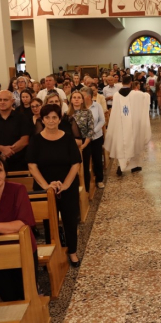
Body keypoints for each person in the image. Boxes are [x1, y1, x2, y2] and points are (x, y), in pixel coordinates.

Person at [26, 104, 82, 267]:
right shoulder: (36, 140)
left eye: (54, 117)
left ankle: (72, 252)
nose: (51, 121)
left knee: (70, 219)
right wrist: (46, 186)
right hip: (44, 186)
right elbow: (32, 165)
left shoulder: (67, 137)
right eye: (47, 118)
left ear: (59, 119)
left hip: (67, 185)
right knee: (49, 221)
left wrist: (64, 185)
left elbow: (75, 164)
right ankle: (55, 251)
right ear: (42, 120)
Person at [0, 158, 38, 301]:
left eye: (0, 171)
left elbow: (23, 223)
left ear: (5, 172)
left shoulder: (17, 189)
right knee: (8, 298)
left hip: (22, 248)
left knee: (23, 295)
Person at [104, 75, 151, 175]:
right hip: (132, 124)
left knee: (121, 145)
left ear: (121, 82)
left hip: (120, 124)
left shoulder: (116, 95)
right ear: (131, 82)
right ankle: (134, 166)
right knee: (135, 143)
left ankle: (120, 166)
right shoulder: (135, 94)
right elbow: (146, 96)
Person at [67, 90, 94, 192]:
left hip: (84, 142)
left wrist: (84, 145)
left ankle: (86, 190)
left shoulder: (87, 112)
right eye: (74, 98)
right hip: (71, 143)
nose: (76, 100)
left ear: (82, 100)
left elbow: (90, 130)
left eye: (79, 98)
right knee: (72, 167)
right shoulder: (67, 114)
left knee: (84, 166)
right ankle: (74, 189)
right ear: (71, 100)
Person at [80, 87, 105, 189]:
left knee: (97, 159)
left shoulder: (97, 106)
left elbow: (102, 120)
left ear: (89, 97)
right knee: (84, 161)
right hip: (83, 138)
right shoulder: (79, 107)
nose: (81, 98)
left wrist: (92, 131)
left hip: (96, 137)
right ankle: (86, 183)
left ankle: (99, 179)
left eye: (83, 95)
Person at [0, 90, 30, 172]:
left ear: (12, 101)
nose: (2, 102)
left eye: (5, 100)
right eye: (0, 100)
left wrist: (7, 152)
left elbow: (25, 140)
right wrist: (2, 149)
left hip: (19, 162)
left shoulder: (21, 117)